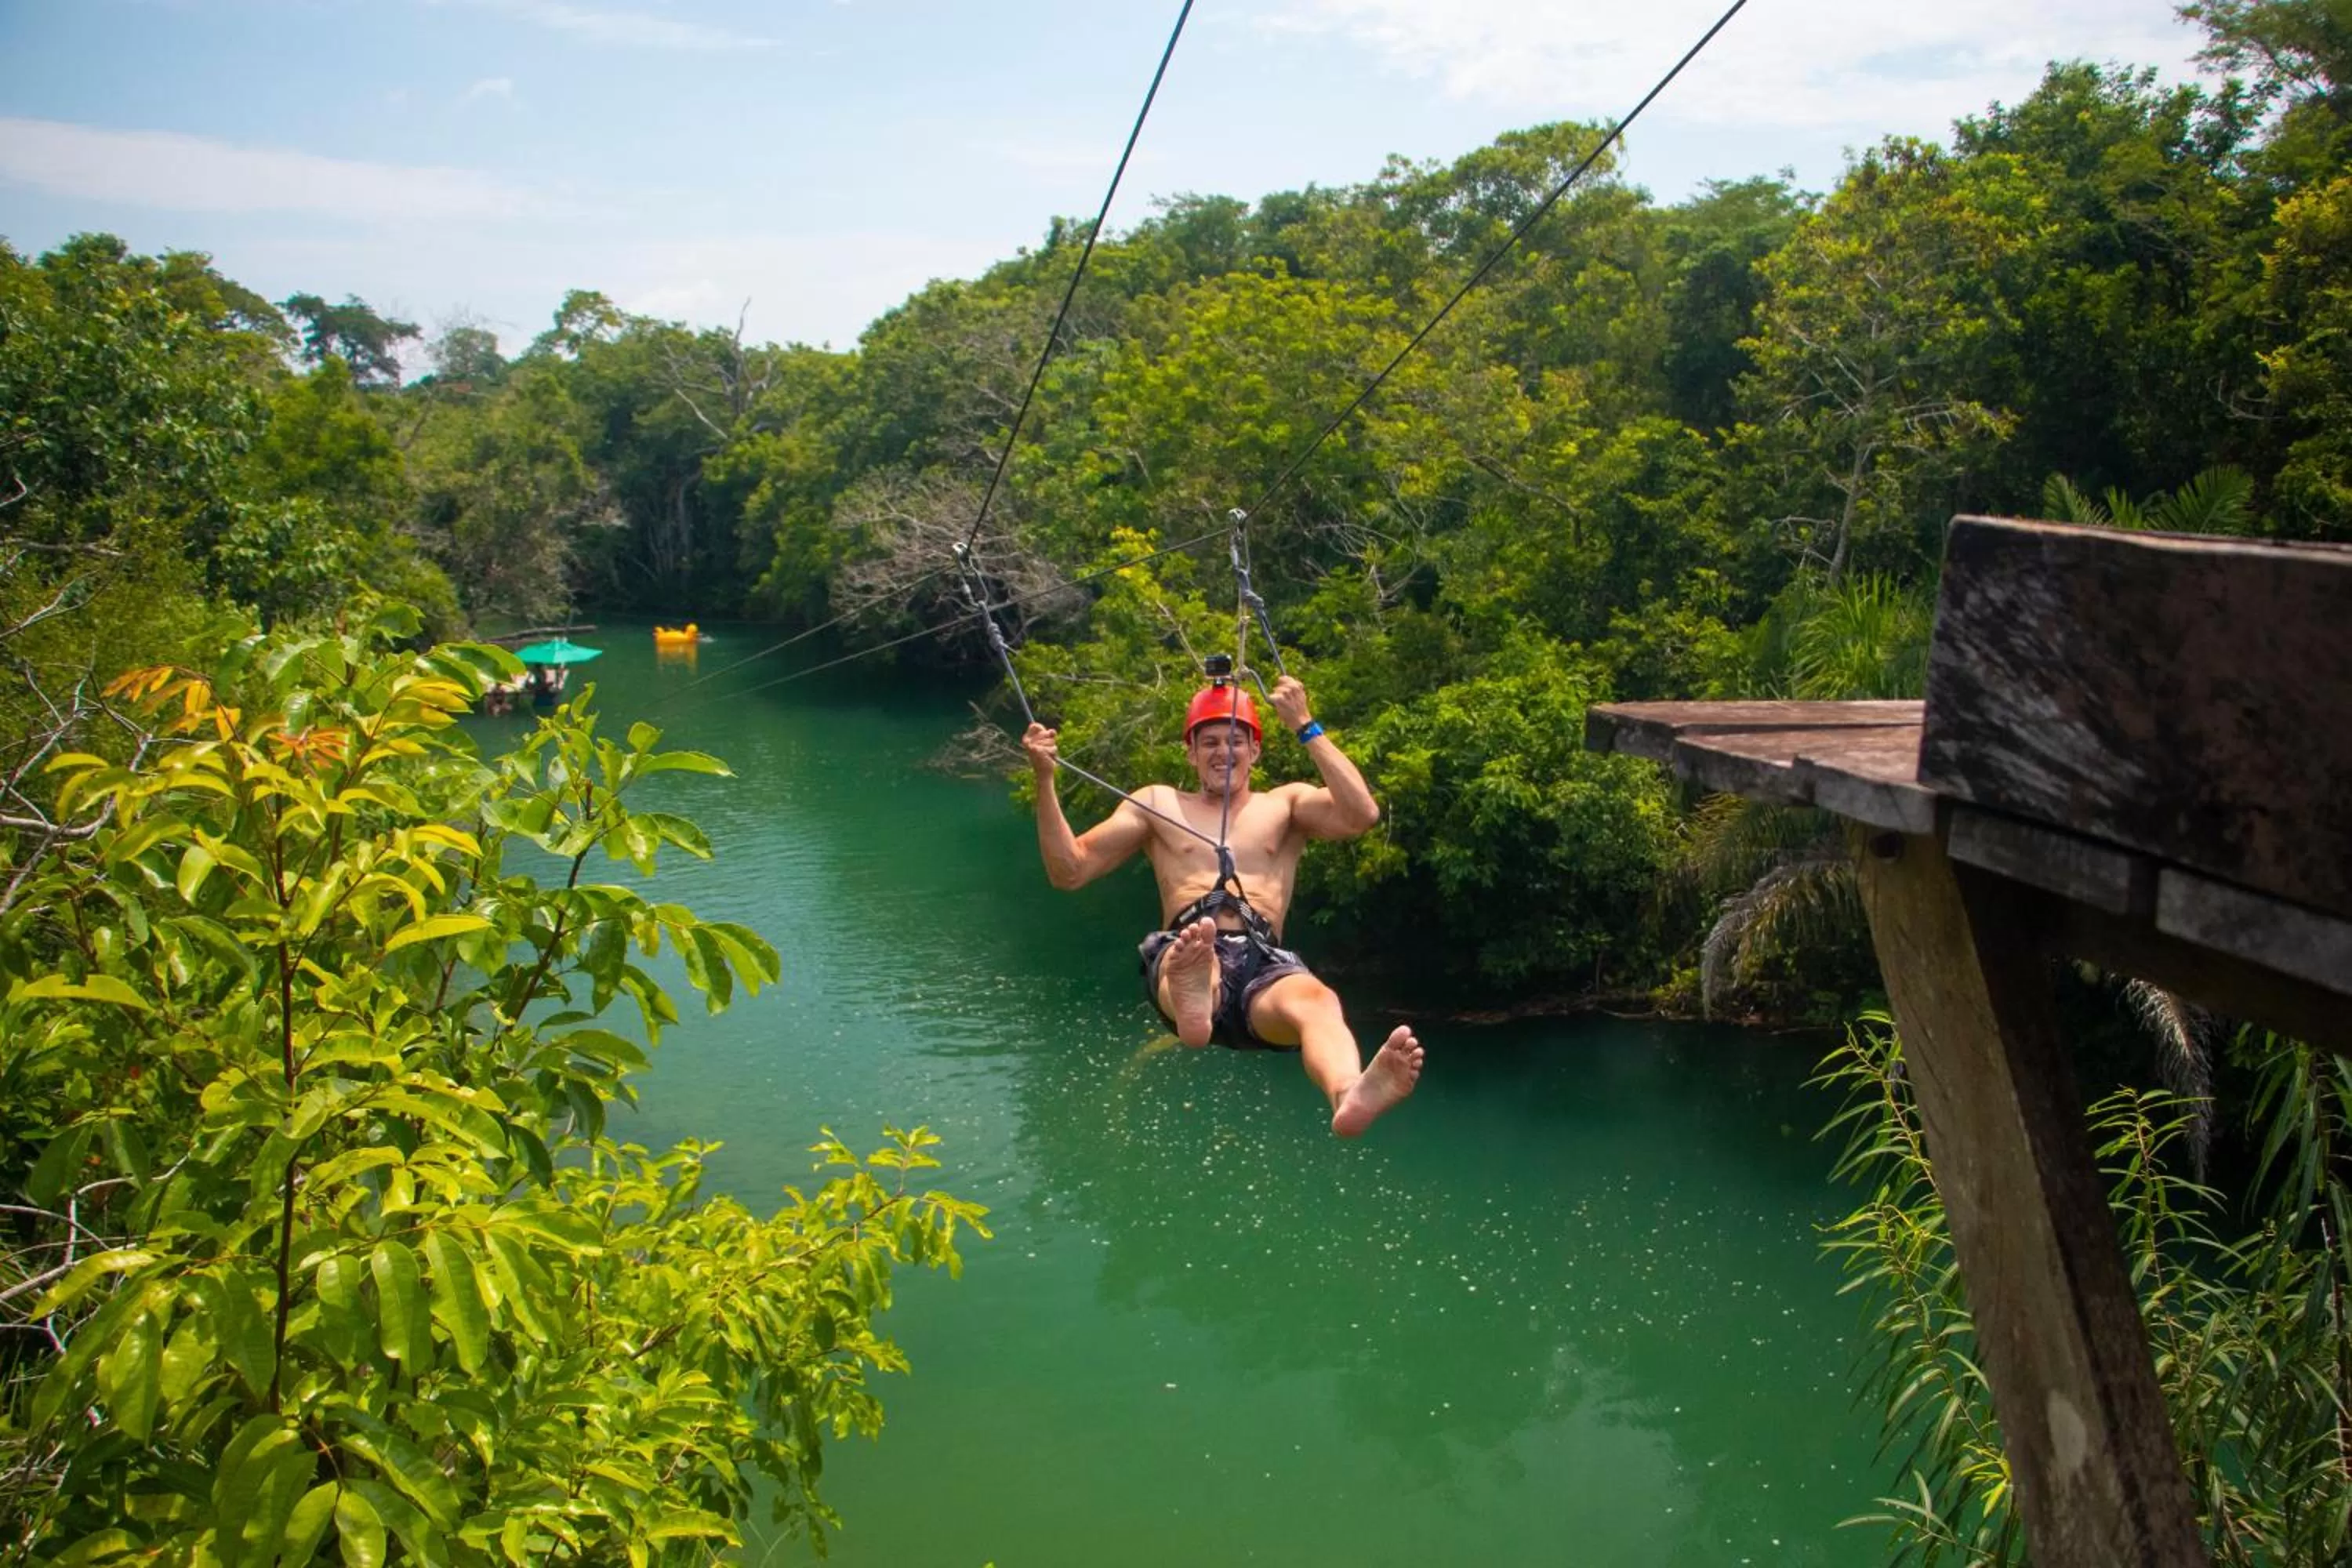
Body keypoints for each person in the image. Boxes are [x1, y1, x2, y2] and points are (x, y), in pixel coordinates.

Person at [1023, 673, 1422, 1138]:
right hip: (1187, 948)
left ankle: (1348, 1092)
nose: (1222, 751)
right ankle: (1196, 1000)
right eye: (1209, 742)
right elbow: (1070, 870)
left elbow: (1361, 815)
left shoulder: (1287, 804)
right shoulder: (1158, 803)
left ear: (1254, 751)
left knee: (1318, 1002)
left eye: (1236, 740)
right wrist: (1045, 781)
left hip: (1263, 966)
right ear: (1190, 753)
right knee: (1195, 953)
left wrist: (1305, 724)